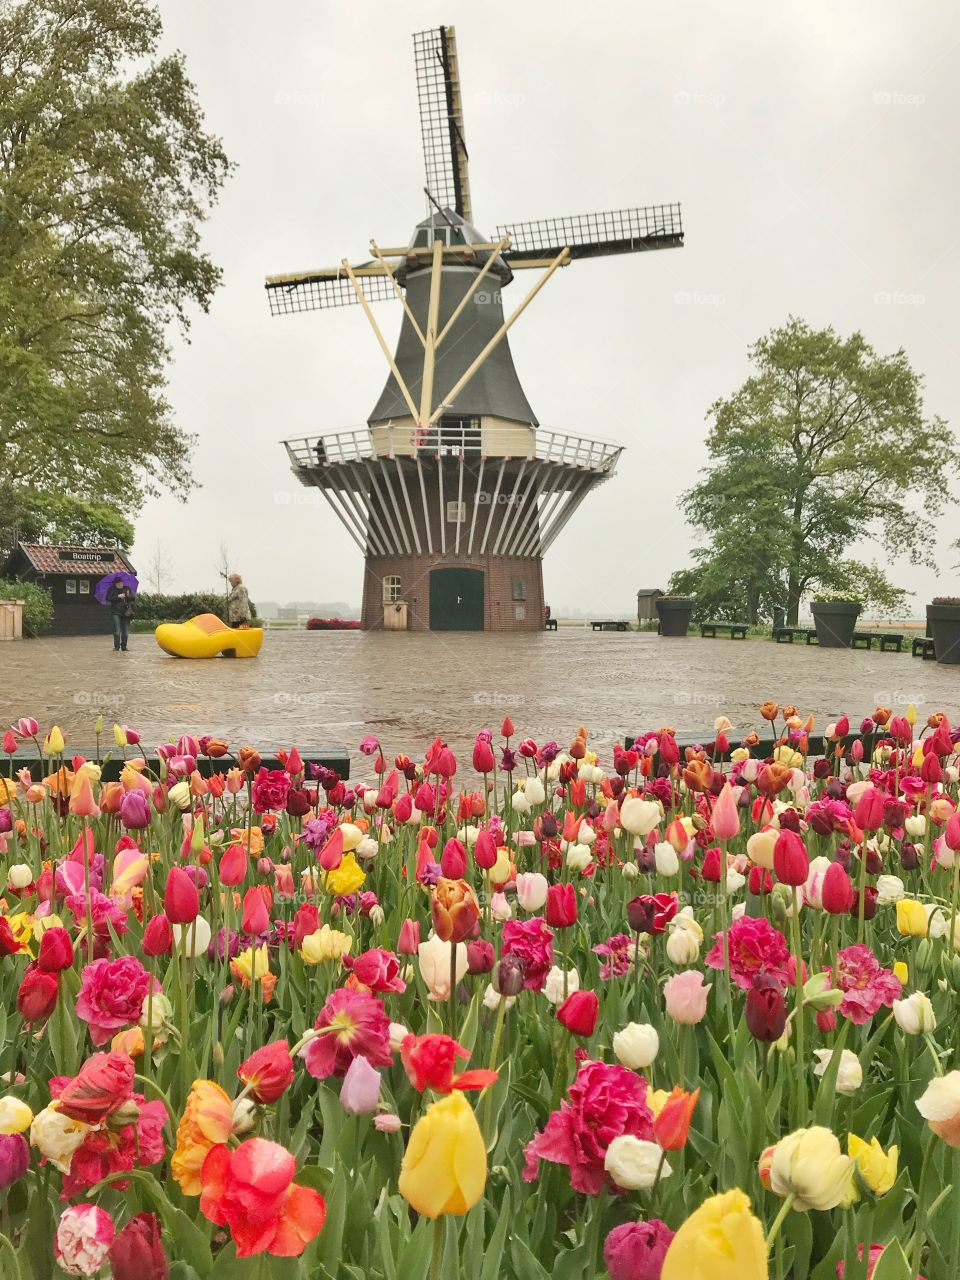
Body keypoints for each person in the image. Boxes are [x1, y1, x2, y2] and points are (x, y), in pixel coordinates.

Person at [106, 575, 133, 651]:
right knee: (117, 631)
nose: (120, 585)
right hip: (116, 612)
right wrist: (118, 596)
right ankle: (116, 647)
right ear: (115, 584)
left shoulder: (127, 588)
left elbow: (132, 597)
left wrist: (126, 596)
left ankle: (124, 647)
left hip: (126, 613)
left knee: (125, 632)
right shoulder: (111, 589)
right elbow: (108, 598)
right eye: (118, 584)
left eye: (121, 583)